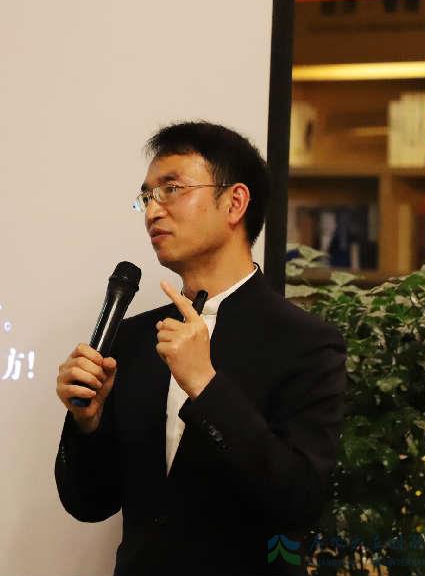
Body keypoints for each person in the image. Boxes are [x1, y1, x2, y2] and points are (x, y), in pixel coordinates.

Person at [54, 121, 346, 575]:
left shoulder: (305, 342)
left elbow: (300, 501)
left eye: (171, 190)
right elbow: (89, 503)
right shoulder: (134, 338)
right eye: (147, 197)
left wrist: (206, 386)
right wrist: (87, 424)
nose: (152, 211)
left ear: (235, 203)